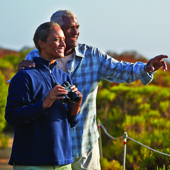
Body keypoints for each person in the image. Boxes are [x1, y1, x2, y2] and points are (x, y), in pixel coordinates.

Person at [17, 10, 168, 170]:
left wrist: (146, 68)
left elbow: (122, 70)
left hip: (84, 148)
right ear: (56, 29)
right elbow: (23, 98)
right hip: (51, 150)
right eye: (69, 28)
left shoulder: (92, 56)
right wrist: (21, 73)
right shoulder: (34, 56)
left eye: (77, 27)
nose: (76, 32)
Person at [5, 21, 83, 170]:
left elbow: (70, 121)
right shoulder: (24, 77)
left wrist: (77, 104)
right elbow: (11, 116)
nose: (63, 44)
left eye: (62, 39)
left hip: (63, 162)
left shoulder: (64, 77)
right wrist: (44, 103)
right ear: (41, 43)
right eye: (56, 39)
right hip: (32, 162)